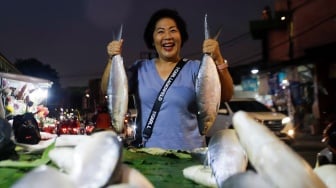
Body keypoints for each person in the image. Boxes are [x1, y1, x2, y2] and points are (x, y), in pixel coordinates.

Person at [101, 9, 234, 150]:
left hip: (190, 155)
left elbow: (226, 95)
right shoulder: (140, 69)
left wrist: (218, 58)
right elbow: (107, 90)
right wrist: (111, 59)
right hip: (149, 156)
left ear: (181, 37)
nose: (167, 36)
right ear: (152, 40)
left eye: (173, 30)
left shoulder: (196, 68)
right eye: (160, 31)